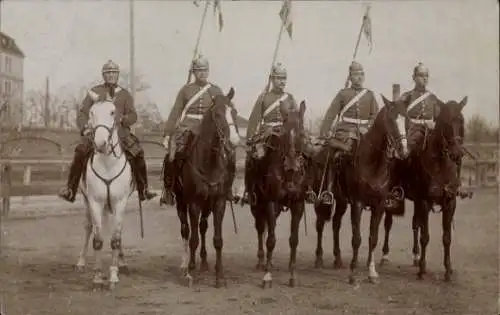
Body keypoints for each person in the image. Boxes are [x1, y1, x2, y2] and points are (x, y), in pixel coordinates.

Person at [58, 60, 157, 203]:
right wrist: (85, 127)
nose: (110, 76)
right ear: (103, 75)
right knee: (80, 152)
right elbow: (82, 113)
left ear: (117, 75)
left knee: (138, 153)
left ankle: (144, 189)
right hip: (97, 134)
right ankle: (70, 189)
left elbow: (133, 115)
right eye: (107, 73)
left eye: (113, 73)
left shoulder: (125, 94)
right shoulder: (94, 92)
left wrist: (123, 119)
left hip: (121, 134)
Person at [235, 62, 313, 205]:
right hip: (268, 133)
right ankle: (247, 190)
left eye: (284, 78)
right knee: (255, 156)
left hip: (287, 133)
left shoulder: (290, 98)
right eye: (278, 78)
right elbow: (253, 120)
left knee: (306, 153)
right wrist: (250, 138)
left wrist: (302, 133)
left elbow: (296, 118)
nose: (282, 81)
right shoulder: (264, 98)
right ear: (272, 79)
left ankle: (307, 189)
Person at [160, 55, 233, 205]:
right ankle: (169, 189)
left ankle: (227, 188)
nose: (202, 73)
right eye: (199, 70)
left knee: (229, 153)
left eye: (205, 70)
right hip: (188, 127)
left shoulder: (215, 90)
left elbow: (222, 111)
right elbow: (176, 112)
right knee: (172, 155)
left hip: (210, 129)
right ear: (193, 72)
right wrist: (168, 134)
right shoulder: (185, 90)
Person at [399, 62, 467, 196]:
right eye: (421, 75)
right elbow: (399, 116)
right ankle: (397, 186)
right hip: (412, 131)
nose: (424, 78)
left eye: (426, 76)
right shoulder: (406, 97)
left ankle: (454, 184)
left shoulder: (433, 98)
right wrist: (415, 123)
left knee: (452, 151)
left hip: (431, 132)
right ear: (414, 77)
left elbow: (442, 116)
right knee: (405, 153)